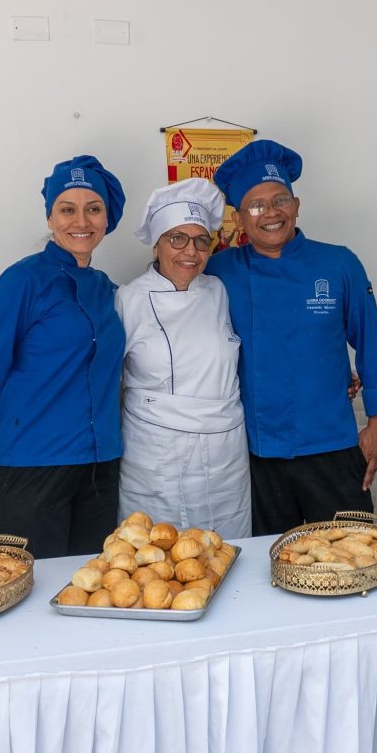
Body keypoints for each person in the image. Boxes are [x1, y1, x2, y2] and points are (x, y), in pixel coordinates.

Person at [206, 140, 377, 535]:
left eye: (280, 200)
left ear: (296, 205)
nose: (271, 213)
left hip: (332, 445)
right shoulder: (218, 271)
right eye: (256, 205)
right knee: (269, 565)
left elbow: (371, 343)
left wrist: (376, 426)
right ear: (240, 218)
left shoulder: (338, 262)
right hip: (256, 453)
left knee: (351, 556)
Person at [0, 155, 126, 558]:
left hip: (100, 466)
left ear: (107, 220)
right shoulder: (23, 280)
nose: (80, 221)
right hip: (32, 465)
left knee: (89, 588)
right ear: (50, 218)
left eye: (93, 209)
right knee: (30, 592)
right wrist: (6, 418)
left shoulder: (107, 290)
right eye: (67, 209)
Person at [115, 178, 252, 538]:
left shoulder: (219, 290)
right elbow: (108, 381)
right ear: (157, 244)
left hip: (226, 453)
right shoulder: (128, 300)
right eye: (177, 239)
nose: (190, 252)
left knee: (228, 551)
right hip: (157, 456)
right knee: (156, 561)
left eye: (201, 241)